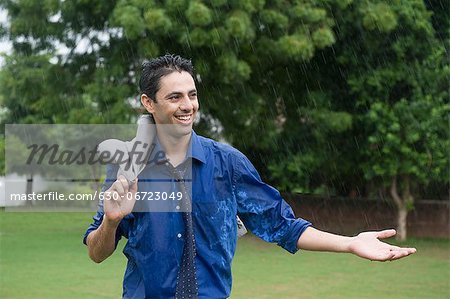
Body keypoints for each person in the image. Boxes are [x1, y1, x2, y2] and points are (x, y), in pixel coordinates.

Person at [83, 54, 416, 299]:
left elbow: (281, 225)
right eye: (174, 97)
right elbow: (97, 252)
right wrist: (111, 223)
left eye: (192, 94)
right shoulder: (127, 166)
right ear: (148, 103)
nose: (188, 106)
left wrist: (351, 244)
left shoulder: (227, 163)